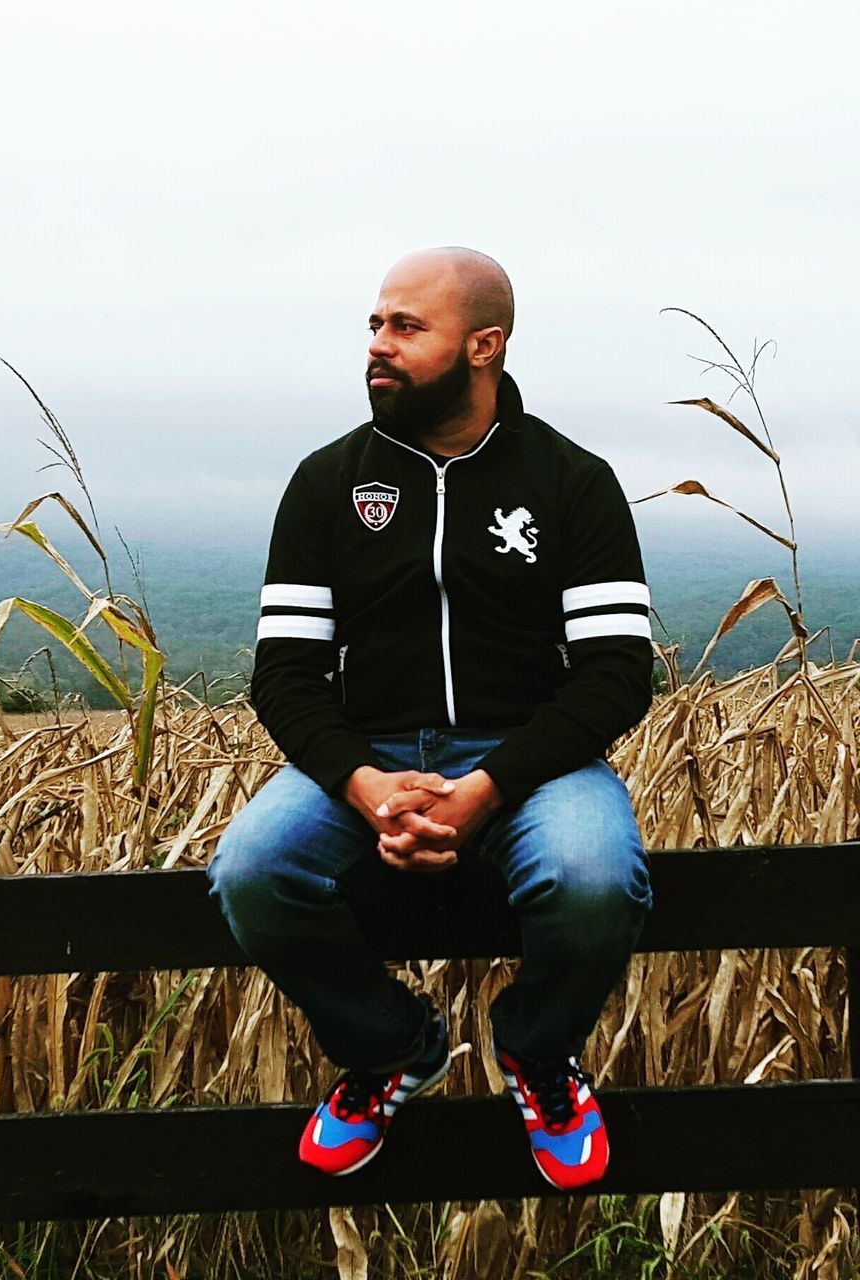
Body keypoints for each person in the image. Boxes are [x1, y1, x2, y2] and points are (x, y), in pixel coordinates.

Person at [206, 246, 654, 1190]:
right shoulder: (327, 483)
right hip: (365, 756)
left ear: (484, 345)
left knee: (592, 876)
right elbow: (284, 674)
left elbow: (615, 675)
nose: (379, 345)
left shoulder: (574, 481)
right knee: (251, 870)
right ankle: (390, 1050)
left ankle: (537, 1054)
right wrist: (364, 786)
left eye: (407, 327)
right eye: (375, 324)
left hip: (526, 758)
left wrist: (490, 787)